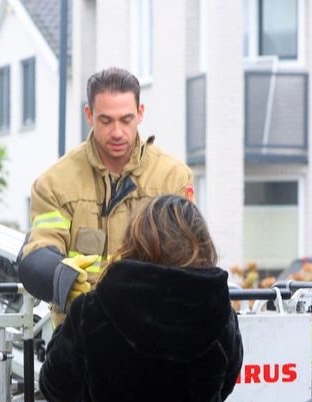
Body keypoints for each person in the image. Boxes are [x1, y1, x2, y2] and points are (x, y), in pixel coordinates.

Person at [39, 195, 243, 402]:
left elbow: (58, 389)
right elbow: (224, 386)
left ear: (135, 241)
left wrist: (63, 316)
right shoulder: (220, 315)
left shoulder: (92, 311)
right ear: (201, 244)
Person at [18, 67, 195, 323]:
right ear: (89, 115)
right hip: (81, 338)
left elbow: (186, 262)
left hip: (152, 336)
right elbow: (41, 248)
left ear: (140, 113)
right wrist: (61, 274)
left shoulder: (174, 178)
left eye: (126, 119)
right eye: (106, 120)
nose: (117, 132)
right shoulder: (54, 183)